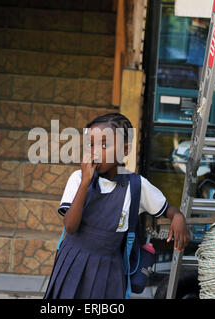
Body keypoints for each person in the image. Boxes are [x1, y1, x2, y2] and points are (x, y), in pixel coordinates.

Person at [44, 113, 189, 299]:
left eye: (104, 145)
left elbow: (167, 209)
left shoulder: (137, 186)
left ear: (124, 149)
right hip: (72, 264)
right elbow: (70, 227)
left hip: (109, 272)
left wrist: (177, 217)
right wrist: (85, 182)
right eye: (91, 144)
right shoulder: (78, 179)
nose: (95, 151)